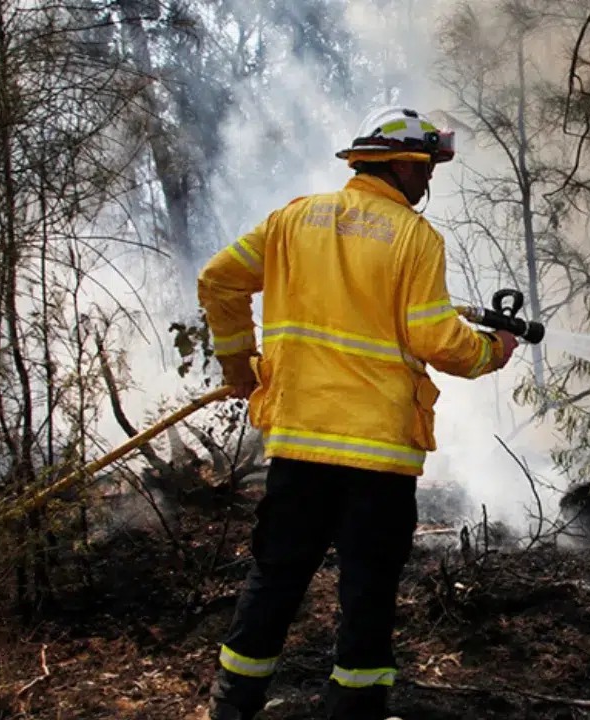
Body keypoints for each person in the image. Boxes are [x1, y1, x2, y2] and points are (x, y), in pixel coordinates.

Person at [195, 106, 519, 720]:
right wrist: (492, 352)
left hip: (299, 446)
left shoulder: (292, 221)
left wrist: (240, 368)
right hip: (377, 455)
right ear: (400, 164)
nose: (427, 182)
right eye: (425, 169)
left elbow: (219, 280)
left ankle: (232, 706)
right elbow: (437, 341)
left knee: (276, 577)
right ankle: (355, 711)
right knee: (368, 590)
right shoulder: (414, 237)